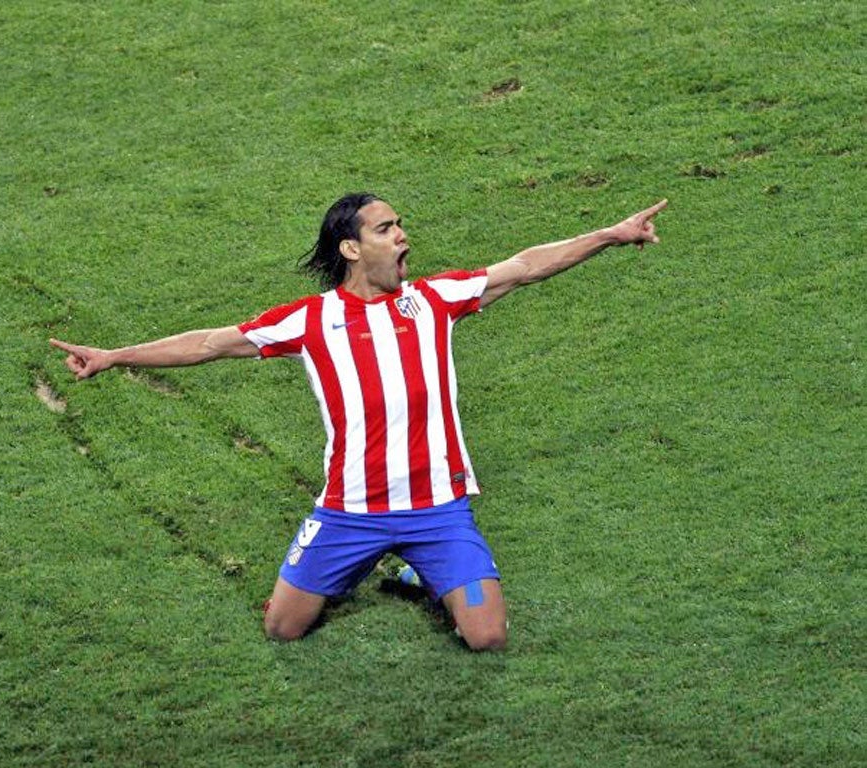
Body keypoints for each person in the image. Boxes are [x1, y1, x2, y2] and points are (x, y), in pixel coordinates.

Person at [50, 193, 667, 651]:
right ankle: (390, 565)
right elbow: (210, 343)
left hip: (438, 509)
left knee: (487, 637)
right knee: (282, 629)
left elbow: (525, 265)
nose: (403, 236)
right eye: (387, 227)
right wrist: (114, 356)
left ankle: (416, 570)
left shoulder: (434, 299)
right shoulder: (311, 320)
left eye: (400, 225)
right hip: (349, 511)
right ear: (352, 247)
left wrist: (609, 235)